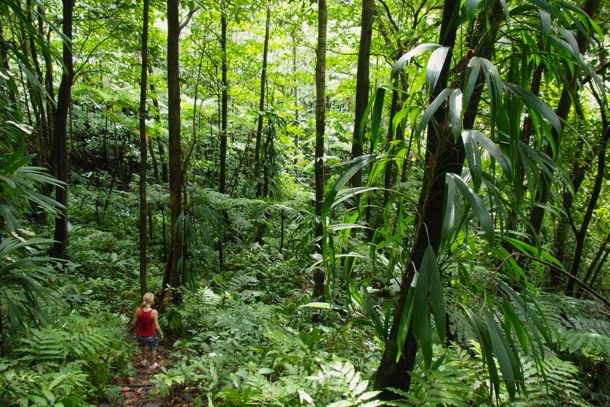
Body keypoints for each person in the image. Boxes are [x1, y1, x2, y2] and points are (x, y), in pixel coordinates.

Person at [128, 292, 164, 369]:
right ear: (152, 301)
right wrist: (160, 334)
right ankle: (152, 365)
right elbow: (157, 327)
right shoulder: (154, 312)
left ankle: (144, 361)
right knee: (153, 348)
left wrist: (128, 328)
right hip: (151, 335)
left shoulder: (138, 310)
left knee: (143, 346)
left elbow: (133, 322)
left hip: (140, 335)